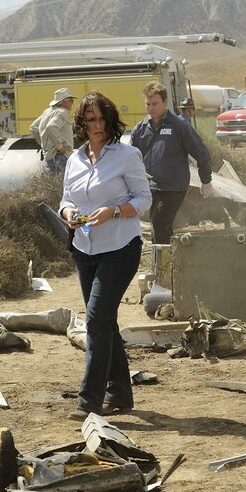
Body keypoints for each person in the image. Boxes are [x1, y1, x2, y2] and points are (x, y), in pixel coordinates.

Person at [58, 91, 152, 420]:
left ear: (110, 120)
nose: (97, 125)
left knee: (96, 320)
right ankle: (120, 393)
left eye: (102, 119)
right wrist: (68, 213)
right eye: (91, 120)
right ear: (82, 124)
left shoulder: (127, 155)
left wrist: (113, 211)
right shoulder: (75, 159)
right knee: (105, 322)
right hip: (85, 249)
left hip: (121, 248)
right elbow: (66, 199)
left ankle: (89, 400)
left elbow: (144, 199)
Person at [130, 81, 214, 245]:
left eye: (155, 104)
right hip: (150, 187)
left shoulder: (179, 126)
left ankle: (162, 260)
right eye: (148, 104)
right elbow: (130, 158)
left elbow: (201, 152)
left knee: (159, 223)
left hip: (173, 187)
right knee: (159, 226)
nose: (151, 108)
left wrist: (206, 181)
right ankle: (168, 258)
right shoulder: (140, 128)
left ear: (165, 102)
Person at [30, 87, 76, 173]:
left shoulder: (47, 111)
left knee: (52, 181)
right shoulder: (62, 112)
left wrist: (46, 145)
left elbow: (33, 127)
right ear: (64, 101)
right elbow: (51, 126)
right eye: (71, 100)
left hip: (49, 157)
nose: (72, 103)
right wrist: (60, 147)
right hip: (61, 158)